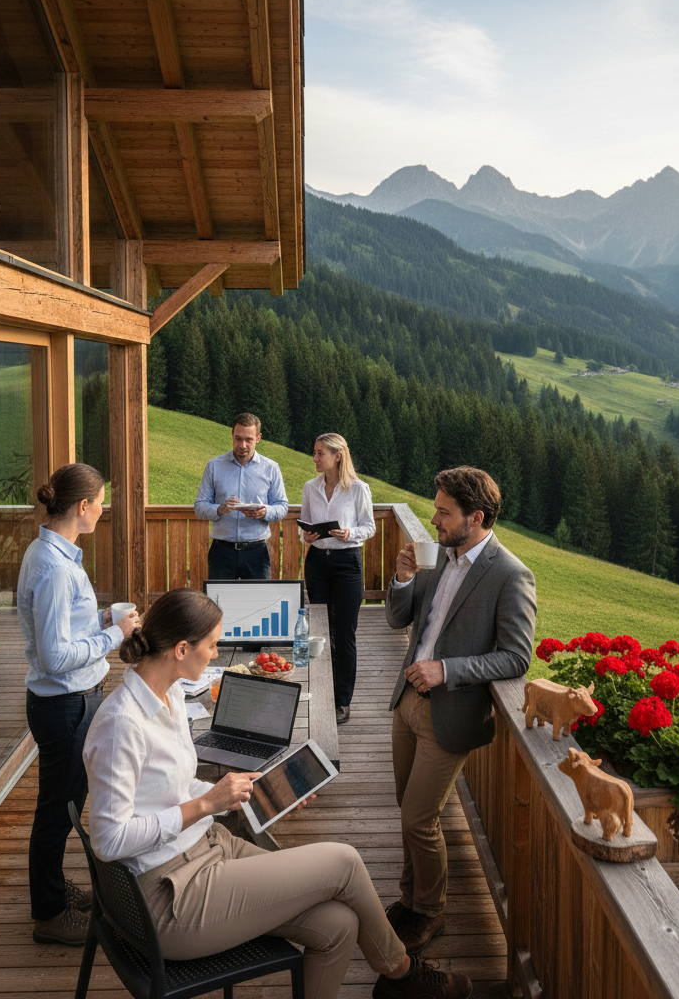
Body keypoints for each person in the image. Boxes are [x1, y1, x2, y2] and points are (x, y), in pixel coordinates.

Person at [83, 587, 472, 999]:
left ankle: (399, 978)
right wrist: (205, 804)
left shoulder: (171, 695)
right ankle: (402, 974)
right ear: (182, 648)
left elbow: (173, 790)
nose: (216, 654)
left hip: (208, 848)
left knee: (339, 925)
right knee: (344, 861)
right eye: (213, 645)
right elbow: (108, 840)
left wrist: (259, 792)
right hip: (168, 898)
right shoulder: (122, 724)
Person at [385, 467, 536, 954]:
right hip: (407, 703)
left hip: (450, 714)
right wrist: (403, 579)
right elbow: (397, 618)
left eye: (443, 512)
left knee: (418, 819)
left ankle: (429, 911)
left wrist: (445, 670)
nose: (433, 519)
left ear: (475, 517)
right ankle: (409, 899)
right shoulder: (438, 556)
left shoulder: (510, 574)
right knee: (406, 808)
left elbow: (516, 657)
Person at [17, 463, 142, 946]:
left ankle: (53, 892)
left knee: (66, 803)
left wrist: (106, 614)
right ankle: (49, 914)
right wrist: (116, 633)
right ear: (83, 507)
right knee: (57, 811)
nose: (104, 508)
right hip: (64, 705)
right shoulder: (52, 568)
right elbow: (55, 656)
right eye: (101, 501)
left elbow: (66, 629)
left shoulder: (56, 553)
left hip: (72, 701)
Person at [300, 433, 375, 725]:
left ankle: (342, 701)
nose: (316, 458)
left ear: (337, 456)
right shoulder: (310, 487)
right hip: (317, 562)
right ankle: (320, 692)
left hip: (347, 564)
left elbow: (368, 527)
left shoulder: (358, 489)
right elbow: (304, 523)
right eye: (315, 453)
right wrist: (305, 535)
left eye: (320, 453)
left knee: (344, 634)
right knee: (319, 630)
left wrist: (349, 534)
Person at [194, 413, 289, 580]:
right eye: (238, 438)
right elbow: (200, 507)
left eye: (248, 439)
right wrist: (220, 509)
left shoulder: (271, 468)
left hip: (257, 552)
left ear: (258, 438)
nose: (242, 445)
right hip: (221, 551)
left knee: (259, 604)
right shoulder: (214, 466)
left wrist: (265, 512)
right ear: (232, 434)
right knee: (218, 604)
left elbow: (282, 506)